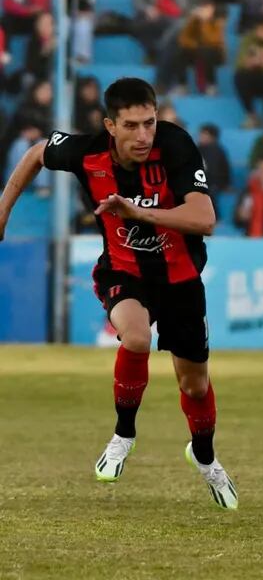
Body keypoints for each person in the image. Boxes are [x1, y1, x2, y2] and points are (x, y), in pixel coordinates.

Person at [0, 77, 238, 509]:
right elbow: (36, 154)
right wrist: (2, 211)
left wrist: (136, 211)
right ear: (110, 125)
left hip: (181, 279)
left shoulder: (177, 146)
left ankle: (204, 458)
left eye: (149, 122)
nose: (144, 135)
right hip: (123, 273)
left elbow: (204, 219)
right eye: (131, 126)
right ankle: (123, 434)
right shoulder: (86, 152)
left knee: (196, 386)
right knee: (136, 336)